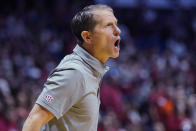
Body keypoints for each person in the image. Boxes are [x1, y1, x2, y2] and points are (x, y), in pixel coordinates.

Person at [22, 4, 121, 131]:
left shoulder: (90, 70)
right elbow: (33, 122)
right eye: (108, 25)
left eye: (115, 24)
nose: (118, 30)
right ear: (87, 37)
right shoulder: (75, 72)